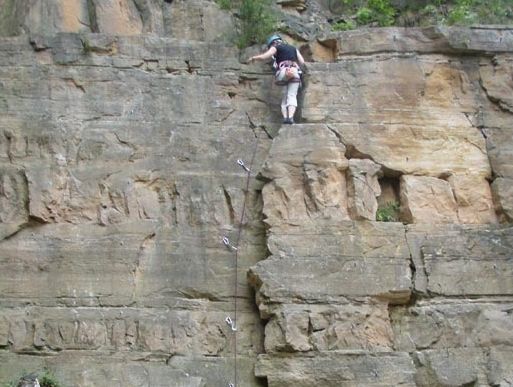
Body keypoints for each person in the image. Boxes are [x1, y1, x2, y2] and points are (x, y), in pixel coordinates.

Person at [248, 34, 306, 124]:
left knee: (283, 90)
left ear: (272, 43)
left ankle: (286, 117)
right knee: (291, 95)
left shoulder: (275, 46)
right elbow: (302, 62)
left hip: (284, 70)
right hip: (295, 71)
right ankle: (290, 118)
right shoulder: (294, 48)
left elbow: (265, 56)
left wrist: (254, 58)